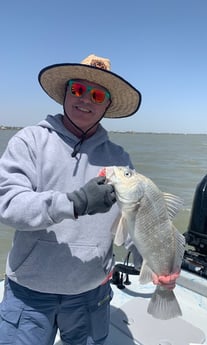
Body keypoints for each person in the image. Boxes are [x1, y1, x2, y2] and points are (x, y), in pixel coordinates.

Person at [0, 54, 179, 345]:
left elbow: (136, 222)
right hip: (29, 294)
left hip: (91, 293)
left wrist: (158, 263)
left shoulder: (120, 159)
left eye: (97, 94)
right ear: (66, 92)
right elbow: (7, 205)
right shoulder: (29, 141)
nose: (86, 100)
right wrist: (74, 202)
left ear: (107, 104)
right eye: (78, 89)